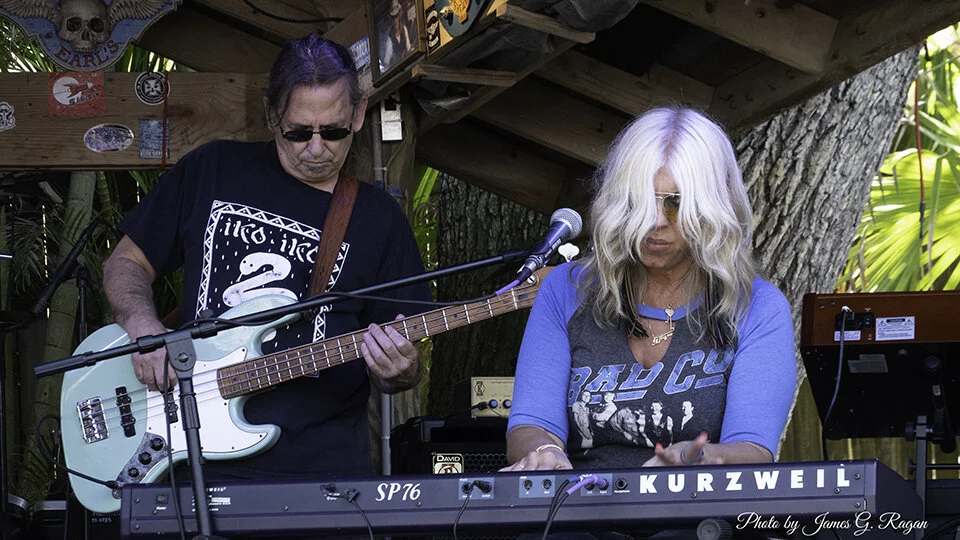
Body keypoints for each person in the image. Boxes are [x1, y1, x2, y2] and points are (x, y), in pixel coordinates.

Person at [102, 34, 431, 479]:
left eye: (334, 131)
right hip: (193, 460)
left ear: (358, 114)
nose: (317, 148)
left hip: (322, 471)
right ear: (271, 114)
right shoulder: (212, 169)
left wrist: (400, 369)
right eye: (299, 132)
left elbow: (400, 365)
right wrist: (145, 329)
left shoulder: (380, 220)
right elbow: (125, 263)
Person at [503, 107, 796, 472]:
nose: (655, 221)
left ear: (713, 207)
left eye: (676, 202)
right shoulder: (566, 289)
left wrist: (700, 457)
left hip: (697, 506)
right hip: (576, 503)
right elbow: (531, 424)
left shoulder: (758, 306)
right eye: (641, 199)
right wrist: (544, 452)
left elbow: (754, 449)